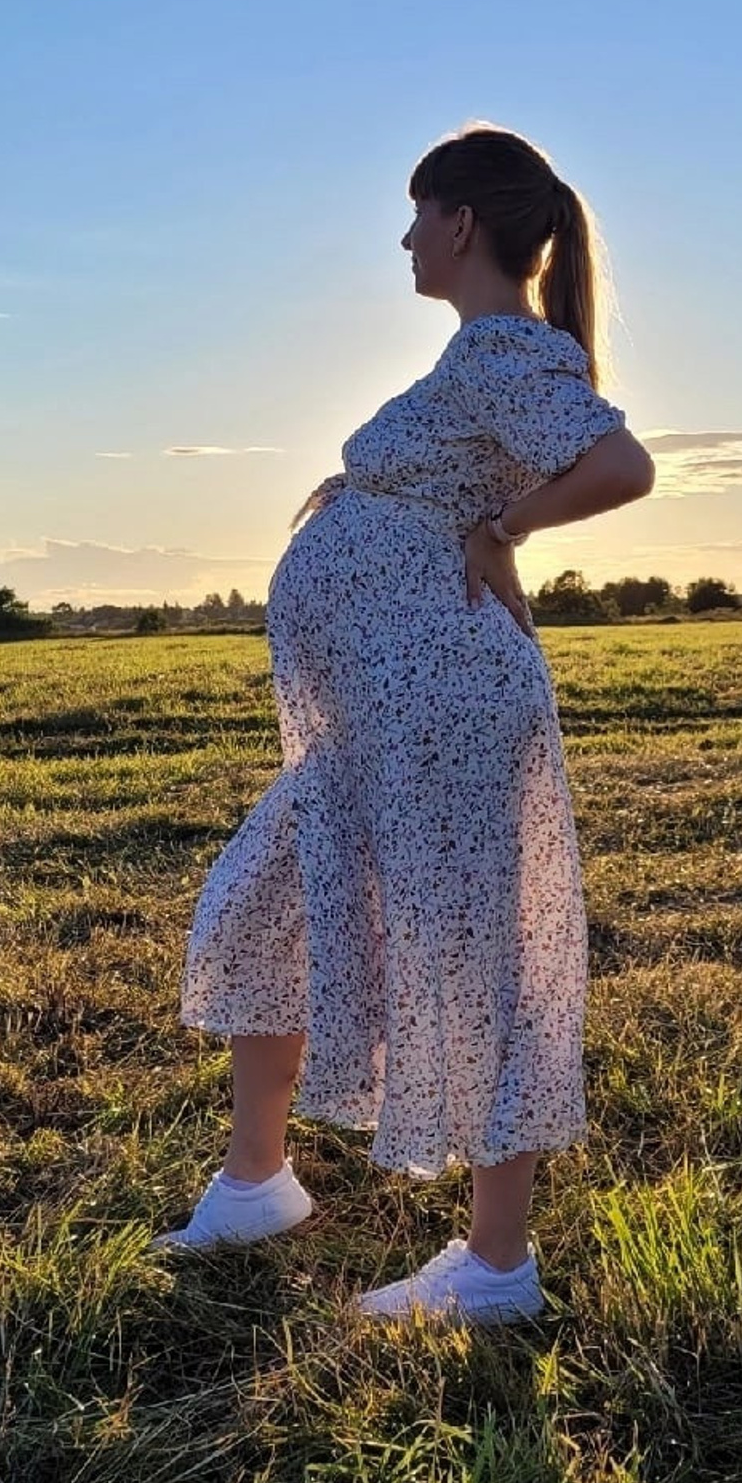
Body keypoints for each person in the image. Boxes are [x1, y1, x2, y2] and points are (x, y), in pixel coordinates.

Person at [152, 122, 656, 1324]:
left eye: (417, 213)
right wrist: (371, 494)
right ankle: (257, 1183)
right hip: (383, 717)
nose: (404, 237)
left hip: (442, 711)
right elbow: (459, 471)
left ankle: (494, 1268)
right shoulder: (473, 366)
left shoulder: (501, 350)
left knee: (468, 949)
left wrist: (505, 529)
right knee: (264, 903)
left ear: (461, 223)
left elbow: (622, 467)